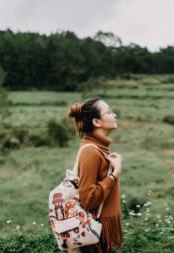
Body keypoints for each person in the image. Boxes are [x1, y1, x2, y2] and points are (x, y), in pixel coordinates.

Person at [67, 97, 123, 253]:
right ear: (97, 122)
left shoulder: (100, 148)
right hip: (95, 234)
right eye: (109, 112)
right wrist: (114, 174)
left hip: (100, 232)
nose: (115, 115)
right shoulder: (91, 151)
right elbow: (88, 199)